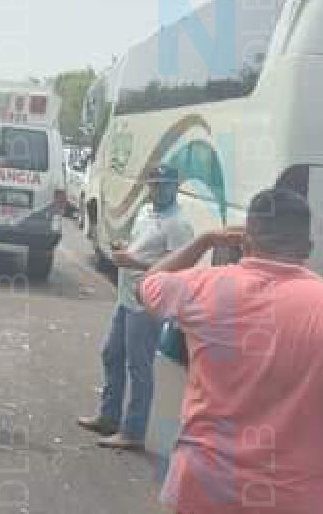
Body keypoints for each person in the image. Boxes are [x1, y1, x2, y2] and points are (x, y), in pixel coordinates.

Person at [138, 188, 323, 514]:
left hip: (204, 490)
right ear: (308, 248)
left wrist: (204, 242)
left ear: (245, 242)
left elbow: (148, 281)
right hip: (296, 501)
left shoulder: (199, 288)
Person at [77, 164, 195, 450]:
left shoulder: (178, 224)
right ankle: (109, 416)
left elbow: (179, 266)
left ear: (175, 187)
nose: (157, 190)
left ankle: (133, 431)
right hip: (127, 296)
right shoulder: (145, 211)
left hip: (147, 304)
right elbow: (140, 246)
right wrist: (124, 250)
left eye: (163, 185)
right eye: (153, 184)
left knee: (138, 367)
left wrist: (134, 263)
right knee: (111, 353)